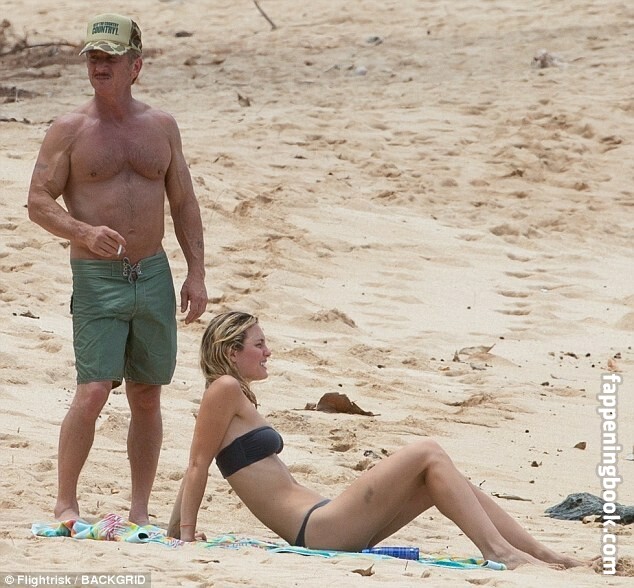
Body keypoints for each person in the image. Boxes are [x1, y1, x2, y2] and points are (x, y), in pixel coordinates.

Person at [168, 312, 586, 570]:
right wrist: (184, 535)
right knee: (427, 450)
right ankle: (499, 552)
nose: (268, 352)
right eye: (259, 344)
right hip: (318, 528)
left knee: (439, 479)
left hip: (327, 521)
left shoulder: (232, 394)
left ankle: (543, 554)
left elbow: (196, 463)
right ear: (231, 351)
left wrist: (174, 530)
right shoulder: (223, 388)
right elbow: (197, 465)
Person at [27, 13, 208, 525]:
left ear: (136, 66)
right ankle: (66, 501)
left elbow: (184, 200)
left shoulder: (161, 126)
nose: (100, 65)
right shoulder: (70, 129)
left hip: (152, 273)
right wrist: (83, 232)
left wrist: (196, 272)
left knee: (147, 394)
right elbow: (37, 201)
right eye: (93, 57)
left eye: (110, 57)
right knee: (93, 389)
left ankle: (140, 510)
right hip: (97, 277)